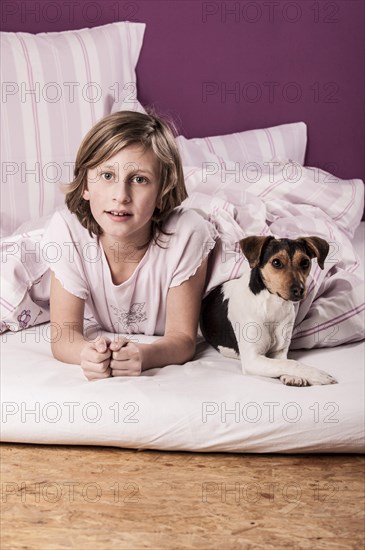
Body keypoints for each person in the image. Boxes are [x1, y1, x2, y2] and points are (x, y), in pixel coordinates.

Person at [41, 110, 218, 381]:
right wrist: (87, 353)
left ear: (162, 192)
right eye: (107, 175)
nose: (121, 196)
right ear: (85, 185)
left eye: (139, 179)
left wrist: (144, 356)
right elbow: (64, 336)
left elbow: (182, 339)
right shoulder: (67, 232)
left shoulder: (186, 235)